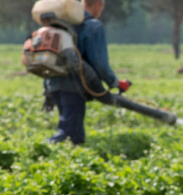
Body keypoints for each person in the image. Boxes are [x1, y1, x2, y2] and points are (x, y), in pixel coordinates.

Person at [43, 0, 131, 145]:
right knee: (70, 136)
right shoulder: (93, 26)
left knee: (72, 132)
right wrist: (115, 83)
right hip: (74, 87)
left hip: (54, 84)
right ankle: (43, 149)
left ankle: (54, 151)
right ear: (97, 5)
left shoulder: (63, 25)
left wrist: (47, 90)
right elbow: (100, 64)